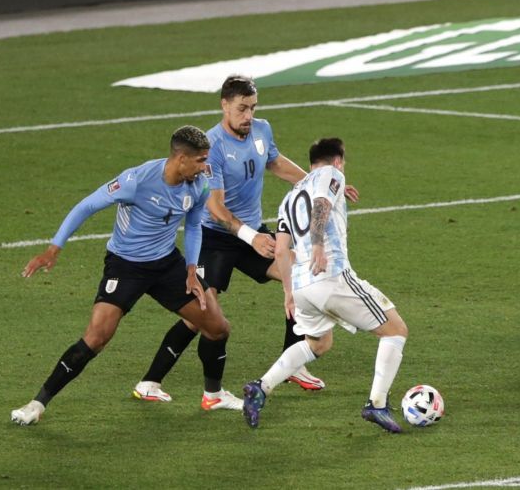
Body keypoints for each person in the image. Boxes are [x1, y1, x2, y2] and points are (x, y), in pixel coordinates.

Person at [132, 75, 360, 407]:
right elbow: (215, 206)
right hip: (216, 238)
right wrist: (252, 238)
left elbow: (277, 164)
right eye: (242, 108)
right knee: (202, 313)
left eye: (252, 107)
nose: (248, 115)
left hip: (251, 232)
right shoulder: (212, 147)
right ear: (224, 105)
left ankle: (292, 362)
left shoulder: (261, 130)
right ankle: (151, 382)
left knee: (298, 277)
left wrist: (322, 182)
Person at [11, 126, 235, 425]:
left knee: (218, 327)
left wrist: (192, 270)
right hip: (126, 266)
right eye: (200, 160)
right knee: (96, 337)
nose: (205, 166)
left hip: (168, 265)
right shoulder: (136, 180)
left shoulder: (199, 183)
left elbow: (194, 226)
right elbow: (86, 205)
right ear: (181, 158)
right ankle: (37, 404)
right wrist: (54, 248)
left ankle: (214, 395)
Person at [241, 138, 408, 433]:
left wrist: (288, 293)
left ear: (310, 162)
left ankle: (261, 387)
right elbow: (320, 204)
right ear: (339, 160)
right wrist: (318, 245)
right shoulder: (332, 174)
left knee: (319, 343)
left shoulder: (289, 198)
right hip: (330, 275)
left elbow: (281, 251)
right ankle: (376, 404)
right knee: (395, 330)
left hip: (303, 287)